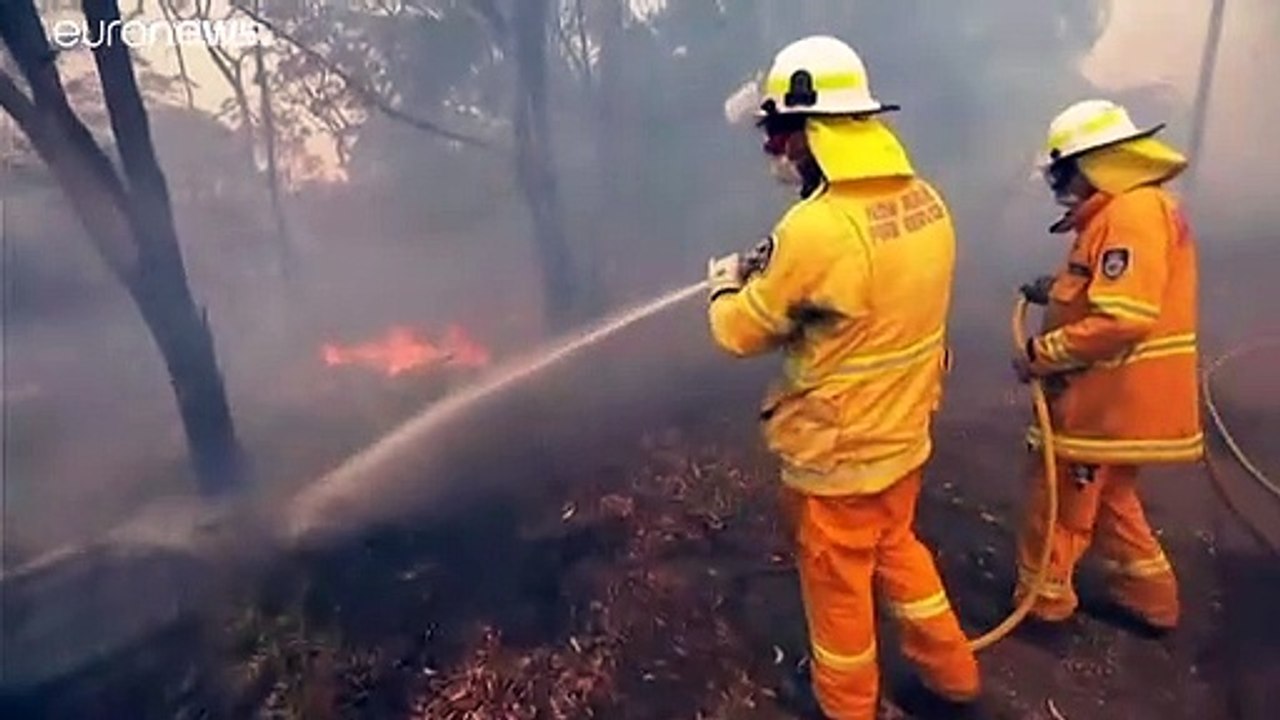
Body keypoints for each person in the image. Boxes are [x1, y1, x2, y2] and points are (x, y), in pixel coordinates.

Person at [707, 35, 979, 719]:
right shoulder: (926, 202)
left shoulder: (818, 227)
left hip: (838, 454)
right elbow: (863, 307)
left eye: (778, 133)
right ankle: (953, 678)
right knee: (900, 550)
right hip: (904, 436)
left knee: (838, 591)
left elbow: (741, 332)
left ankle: (847, 706)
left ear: (814, 128)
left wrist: (722, 287)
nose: (774, 149)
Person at [1013, 99, 1201, 633]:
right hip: (1120, 402)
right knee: (1112, 498)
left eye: (1064, 172)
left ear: (1094, 163)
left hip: (1108, 401)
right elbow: (1106, 290)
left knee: (1057, 505)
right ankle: (1151, 599)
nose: (1059, 186)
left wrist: (1041, 355)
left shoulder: (1129, 215)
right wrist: (1057, 291)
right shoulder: (1131, 211)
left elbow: (1123, 317)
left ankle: (1042, 607)